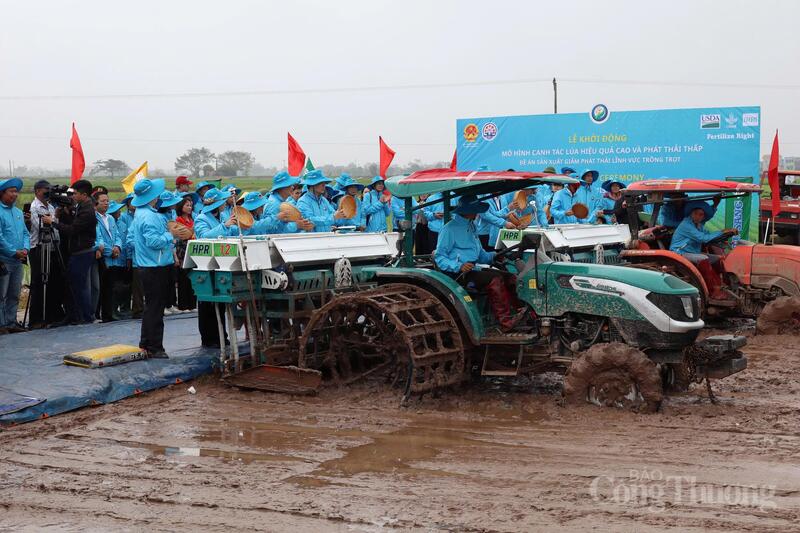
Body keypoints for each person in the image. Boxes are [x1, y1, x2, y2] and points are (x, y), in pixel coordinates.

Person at [434, 195, 524, 332]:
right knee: (495, 279)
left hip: (474, 269)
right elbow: (440, 257)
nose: (477, 213)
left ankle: (521, 311)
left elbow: (481, 255)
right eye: (475, 210)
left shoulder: (472, 226)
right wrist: (459, 266)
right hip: (459, 274)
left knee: (510, 276)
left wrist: (497, 255)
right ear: (467, 212)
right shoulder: (449, 229)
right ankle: (506, 322)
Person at [130, 179, 178, 357]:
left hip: (148, 265)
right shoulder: (149, 216)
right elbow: (153, 242)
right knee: (155, 309)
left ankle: (147, 342)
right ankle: (155, 347)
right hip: (154, 267)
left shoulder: (142, 213)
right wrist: (170, 235)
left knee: (152, 307)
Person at [47, 179, 96, 324]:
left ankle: (86, 318)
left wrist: (53, 222)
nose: (72, 196)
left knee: (80, 287)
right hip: (80, 251)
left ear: (84, 194)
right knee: (77, 286)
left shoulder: (86, 210)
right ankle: (80, 316)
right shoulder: (81, 206)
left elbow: (73, 230)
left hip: (82, 252)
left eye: (75, 194)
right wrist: (64, 213)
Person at [670, 201, 738, 302]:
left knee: (718, 259)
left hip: (692, 252)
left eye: (702, 215)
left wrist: (724, 234)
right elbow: (703, 238)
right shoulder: (686, 225)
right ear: (693, 214)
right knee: (704, 259)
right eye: (699, 214)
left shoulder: (698, 225)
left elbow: (708, 234)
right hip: (681, 253)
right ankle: (714, 291)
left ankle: (726, 284)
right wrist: (721, 232)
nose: (701, 217)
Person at [28, 179, 65, 328]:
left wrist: (54, 219)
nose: (48, 193)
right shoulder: (34, 208)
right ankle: (36, 319)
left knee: (54, 282)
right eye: (46, 190)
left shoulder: (50, 206)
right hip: (39, 248)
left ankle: (53, 315)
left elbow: (55, 227)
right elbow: (41, 227)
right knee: (39, 283)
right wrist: (54, 221)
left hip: (53, 248)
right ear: (38, 191)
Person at [0, 178, 30, 333]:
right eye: (11, 191)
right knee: (1, 294)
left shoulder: (18, 213)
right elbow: (0, 237)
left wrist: (25, 248)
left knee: (14, 293)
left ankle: (11, 322)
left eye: (16, 191)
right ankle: (1, 324)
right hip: (4, 260)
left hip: (18, 260)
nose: (15, 194)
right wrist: (13, 251)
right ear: (2, 193)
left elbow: (25, 233)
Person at [92, 191, 121, 322]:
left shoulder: (110, 218)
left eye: (107, 201)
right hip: (103, 257)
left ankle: (109, 314)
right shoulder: (94, 218)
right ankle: (98, 314)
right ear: (96, 203)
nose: (106, 203)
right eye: (103, 201)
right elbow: (98, 240)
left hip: (114, 258)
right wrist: (111, 251)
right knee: (100, 287)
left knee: (111, 287)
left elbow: (118, 235)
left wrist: (118, 247)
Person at [173, 195, 196, 311]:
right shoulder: (178, 220)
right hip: (183, 251)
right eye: (187, 205)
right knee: (183, 279)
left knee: (192, 277)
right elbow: (181, 236)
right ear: (181, 207)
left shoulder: (192, 220)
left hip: (193, 250)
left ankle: (192, 304)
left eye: (191, 205)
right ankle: (183, 304)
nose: (189, 207)